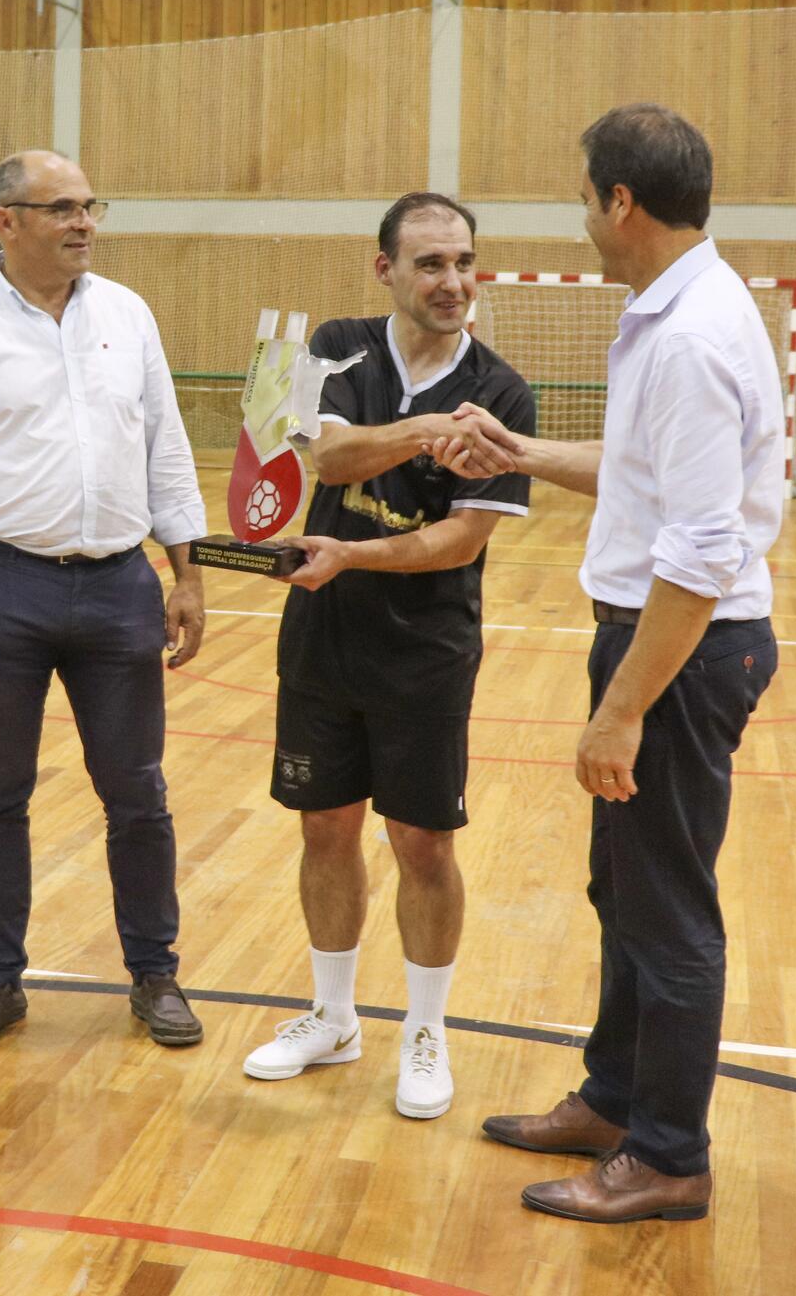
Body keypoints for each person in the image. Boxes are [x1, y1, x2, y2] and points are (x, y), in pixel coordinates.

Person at [474, 104, 785, 1224]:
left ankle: (667, 1156)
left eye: (583, 198)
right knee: (627, 887)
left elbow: (701, 555)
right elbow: (644, 470)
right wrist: (520, 452)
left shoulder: (695, 334)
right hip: (668, 637)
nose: (583, 220)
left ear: (620, 201)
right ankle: (614, 1098)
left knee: (666, 907)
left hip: (679, 650)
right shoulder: (682, 310)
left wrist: (618, 709)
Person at [238, 194, 536, 1122]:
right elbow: (329, 460)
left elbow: (460, 541)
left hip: (428, 652)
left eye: (464, 263)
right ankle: (332, 1016)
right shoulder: (336, 344)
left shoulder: (506, 391)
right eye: (431, 264)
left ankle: (426, 1028)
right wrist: (426, 431)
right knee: (323, 828)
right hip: (323, 642)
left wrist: (354, 555)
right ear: (386, 271)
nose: (453, 282)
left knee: (423, 842)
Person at [0, 149, 208, 1049]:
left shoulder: (128, 314)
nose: (85, 223)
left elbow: (166, 445)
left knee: (139, 795)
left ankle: (155, 974)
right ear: (8, 221)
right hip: (3, 590)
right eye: (62, 208)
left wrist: (184, 571)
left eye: (90, 206)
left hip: (120, 584)